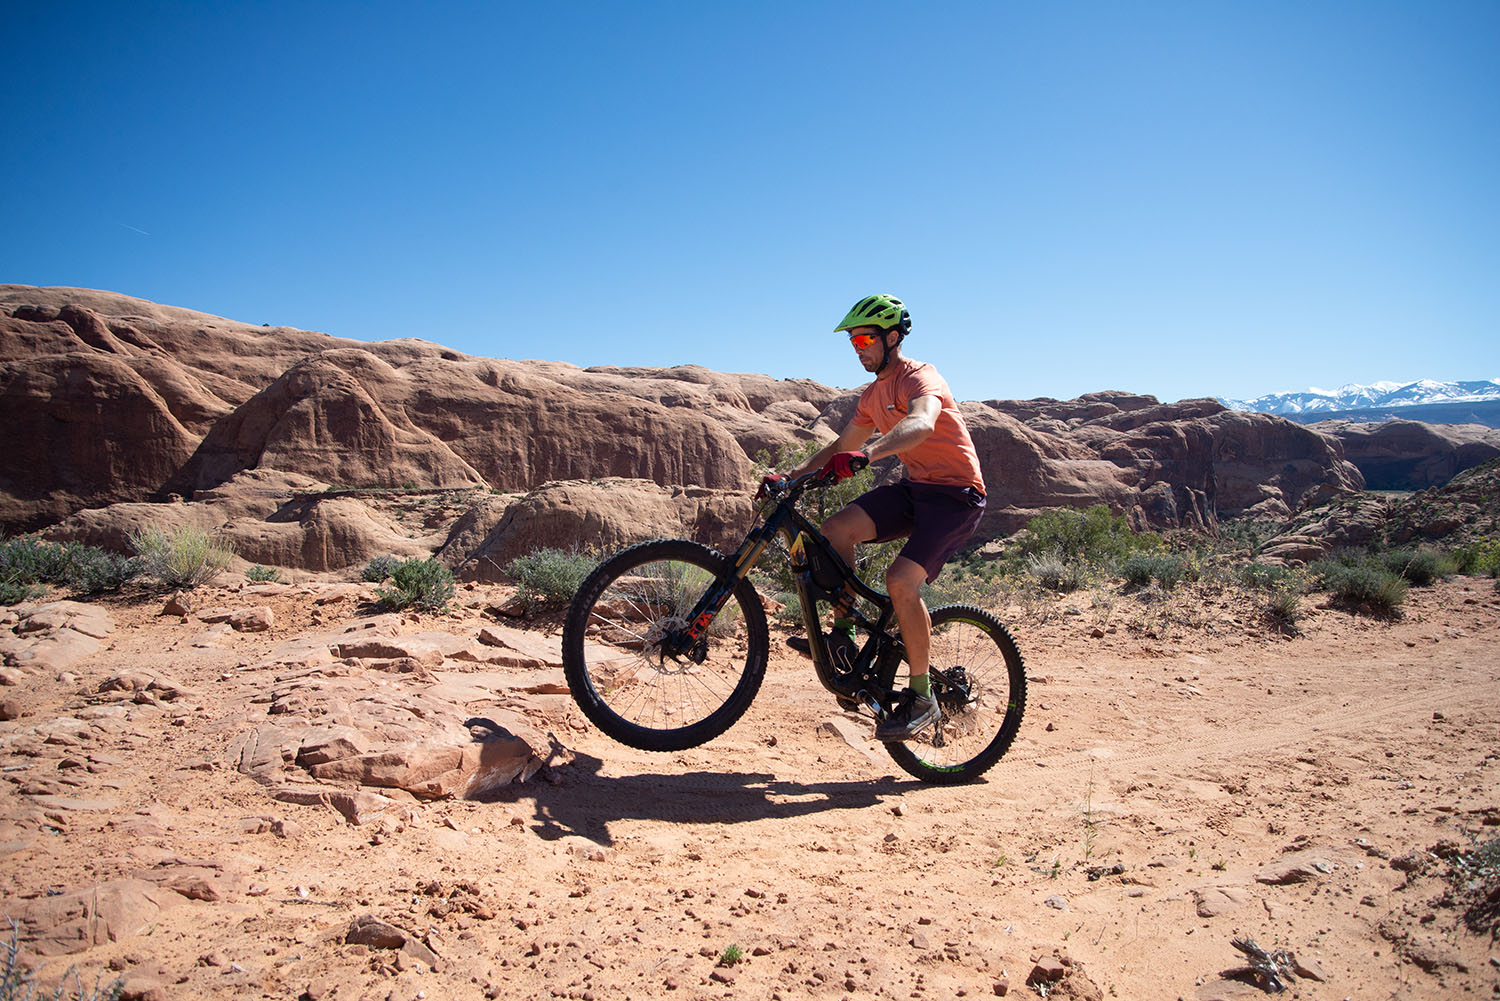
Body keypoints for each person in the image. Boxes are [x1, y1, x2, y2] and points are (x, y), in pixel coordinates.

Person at [767, 294, 987, 742]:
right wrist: (792, 475)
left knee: (901, 581)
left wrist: (868, 454)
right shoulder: (872, 395)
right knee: (834, 531)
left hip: (956, 496)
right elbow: (838, 446)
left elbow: (922, 424)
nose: (858, 348)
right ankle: (842, 636)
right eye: (853, 341)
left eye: (865, 338)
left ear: (891, 337)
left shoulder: (920, 377)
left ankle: (923, 696)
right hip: (916, 489)